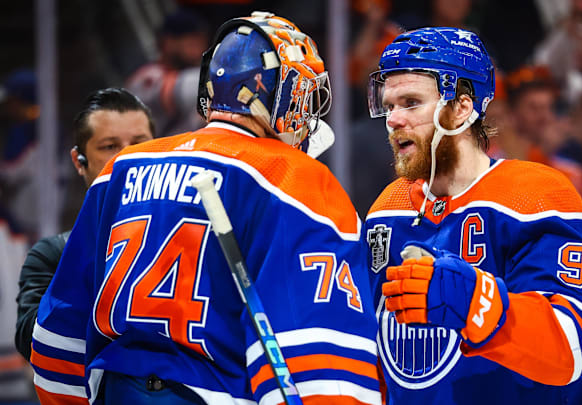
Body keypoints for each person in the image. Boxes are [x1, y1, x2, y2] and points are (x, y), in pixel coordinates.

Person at [30, 12, 380, 405]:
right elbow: (320, 361)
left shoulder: (122, 167)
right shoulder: (296, 178)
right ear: (283, 94)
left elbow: (61, 332)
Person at [364, 27, 582, 404]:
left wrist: (476, 301)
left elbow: (577, 348)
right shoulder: (385, 211)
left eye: (410, 102)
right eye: (389, 105)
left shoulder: (533, 195)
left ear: (461, 108)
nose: (393, 119)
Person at [15, 87, 156, 361]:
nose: (128, 157)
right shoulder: (53, 255)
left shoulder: (190, 237)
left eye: (140, 143)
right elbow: (29, 340)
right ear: (79, 161)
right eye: (110, 146)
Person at [125, 8, 209, 138]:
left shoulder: (192, 73)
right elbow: (184, 90)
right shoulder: (146, 77)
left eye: (201, 40)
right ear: (168, 43)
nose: (199, 48)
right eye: (191, 42)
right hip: (159, 152)